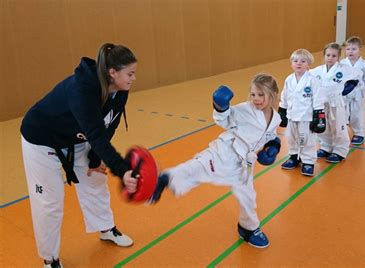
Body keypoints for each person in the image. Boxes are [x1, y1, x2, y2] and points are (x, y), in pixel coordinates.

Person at [20, 43, 139, 268]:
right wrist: (123, 170)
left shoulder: (120, 90)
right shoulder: (81, 90)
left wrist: (94, 160)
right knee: (49, 203)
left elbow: (108, 127)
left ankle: (105, 229)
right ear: (112, 72)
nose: (134, 78)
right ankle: (50, 258)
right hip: (41, 140)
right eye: (130, 73)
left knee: (95, 179)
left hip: (76, 138)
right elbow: (96, 134)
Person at [148, 73, 282, 248]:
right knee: (198, 167)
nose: (256, 99)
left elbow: (270, 135)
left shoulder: (276, 118)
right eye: (253, 94)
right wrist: (220, 105)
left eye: (261, 95)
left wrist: (273, 147)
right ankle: (166, 178)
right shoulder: (245, 109)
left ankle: (248, 228)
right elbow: (224, 118)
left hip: (244, 163)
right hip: (225, 150)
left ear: (273, 95)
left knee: (248, 196)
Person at [309, 42, 362, 163]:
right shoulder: (317, 71)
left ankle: (340, 151)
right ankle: (326, 146)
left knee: (339, 127)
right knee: (324, 126)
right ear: (324, 56)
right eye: (328, 55)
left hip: (336, 103)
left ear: (338, 57)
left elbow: (359, 73)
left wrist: (351, 84)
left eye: (334, 56)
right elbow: (306, 76)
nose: (330, 58)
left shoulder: (344, 69)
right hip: (321, 104)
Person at [278, 49, 318, 176]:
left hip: (306, 117)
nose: (298, 63)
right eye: (295, 61)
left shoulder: (312, 80)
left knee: (306, 140)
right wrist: (282, 111)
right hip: (291, 116)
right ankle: (293, 157)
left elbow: (318, 98)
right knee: (291, 138)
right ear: (291, 64)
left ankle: (308, 162)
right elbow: (284, 96)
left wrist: (319, 115)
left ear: (308, 64)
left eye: (303, 61)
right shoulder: (289, 79)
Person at [341, 36, 365, 145]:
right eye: (348, 49)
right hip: (344, 94)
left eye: (354, 49)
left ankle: (359, 133)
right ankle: (342, 133)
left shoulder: (364, 65)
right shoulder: (342, 63)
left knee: (356, 114)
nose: (350, 51)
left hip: (357, 94)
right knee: (342, 114)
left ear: (360, 50)